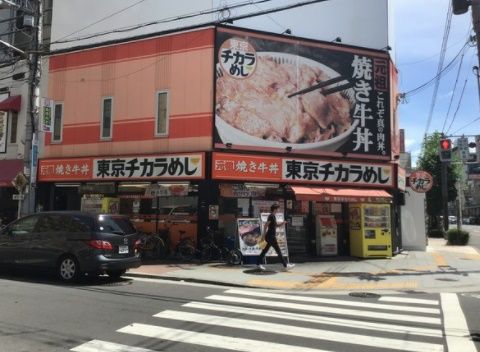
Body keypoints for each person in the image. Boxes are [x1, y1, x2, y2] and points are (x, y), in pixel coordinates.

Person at [256, 204, 294, 271]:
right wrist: (263, 236)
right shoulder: (271, 216)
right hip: (271, 237)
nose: (278, 210)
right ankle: (285, 266)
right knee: (278, 251)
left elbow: (276, 225)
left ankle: (258, 264)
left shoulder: (273, 216)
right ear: (275, 209)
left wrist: (283, 223)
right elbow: (265, 226)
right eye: (278, 209)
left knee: (264, 251)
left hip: (270, 236)